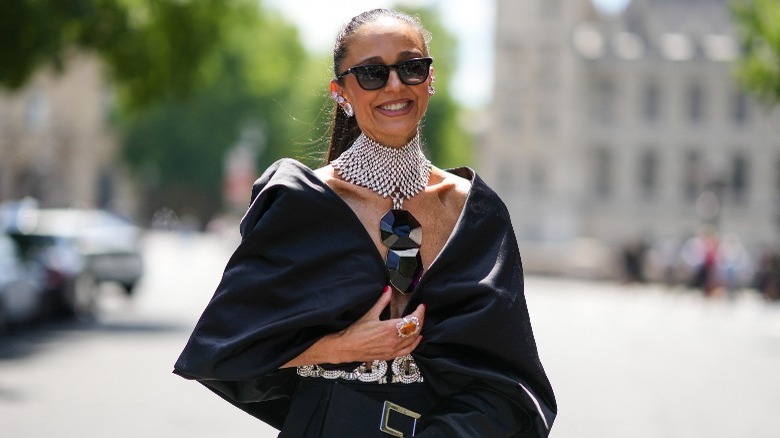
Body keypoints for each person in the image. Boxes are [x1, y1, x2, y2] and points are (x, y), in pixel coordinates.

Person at [174, 8, 556, 437]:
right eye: (372, 73)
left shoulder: (477, 213)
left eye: (411, 67)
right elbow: (224, 350)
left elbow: (508, 377)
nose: (395, 85)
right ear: (341, 92)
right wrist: (343, 347)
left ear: (430, 80)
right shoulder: (299, 205)